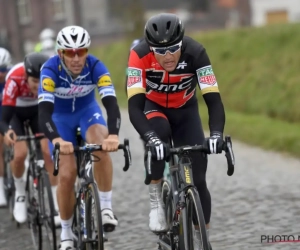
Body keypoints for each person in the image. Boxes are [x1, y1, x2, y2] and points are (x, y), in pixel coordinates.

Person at [127, 13, 226, 249]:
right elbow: (133, 108)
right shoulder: (139, 54)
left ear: (182, 42)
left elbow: (213, 100)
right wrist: (150, 138)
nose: (167, 56)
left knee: (199, 180)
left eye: (173, 49)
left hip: (186, 110)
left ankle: (203, 236)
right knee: (159, 133)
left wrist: (216, 135)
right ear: (150, 48)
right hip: (153, 107)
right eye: (160, 52)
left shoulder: (197, 52)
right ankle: (156, 202)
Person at [38, 25, 121, 249]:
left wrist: (113, 135)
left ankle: (105, 208)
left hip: (87, 113)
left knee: (100, 143)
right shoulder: (49, 70)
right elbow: (44, 113)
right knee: (66, 174)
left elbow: (111, 105)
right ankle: (66, 233)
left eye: (81, 51)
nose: (76, 58)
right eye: (70, 52)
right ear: (60, 54)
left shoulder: (96, 66)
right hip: (59, 119)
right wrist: (56, 140)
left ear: (86, 51)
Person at [0, 52, 60, 225]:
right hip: (15, 112)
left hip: (38, 110)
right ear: (26, 77)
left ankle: (56, 205)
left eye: (42, 82)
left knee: (48, 152)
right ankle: (20, 194)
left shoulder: (51, 77)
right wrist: (7, 132)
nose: (39, 86)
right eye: (35, 82)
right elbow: (3, 119)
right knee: (20, 154)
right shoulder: (14, 79)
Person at [0, 47, 12, 207]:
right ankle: (1, 188)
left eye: (3, 69)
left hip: (12, 115)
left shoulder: (12, 78)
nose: (0, 74)